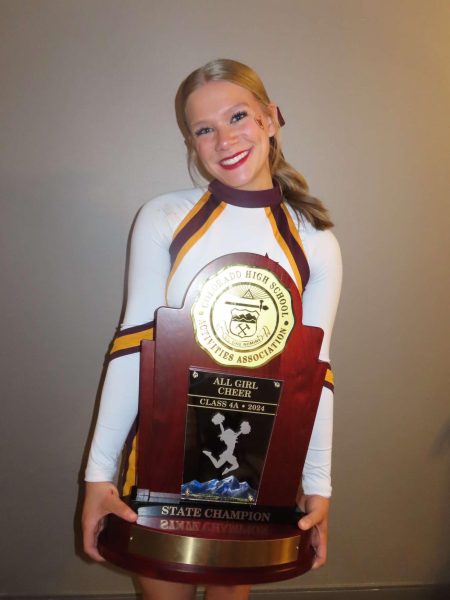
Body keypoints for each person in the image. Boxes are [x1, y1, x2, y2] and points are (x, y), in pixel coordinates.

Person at [82, 59, 342, 600]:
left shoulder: (315, 240)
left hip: (258, 470)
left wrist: (319, 486)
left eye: (238, 116)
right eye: (205, 129)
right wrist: (97, 477)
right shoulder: (163, 218)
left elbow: (313, 376)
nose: (225, 139)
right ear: (192, 141)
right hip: (156, 462)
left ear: (271, 118)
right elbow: (133, 347)